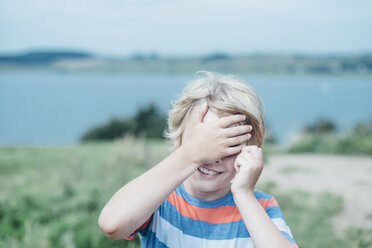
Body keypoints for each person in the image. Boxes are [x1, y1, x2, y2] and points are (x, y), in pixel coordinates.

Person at [98, 71, 298, 248]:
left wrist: (244, 194)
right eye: (203, 142)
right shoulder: (158, 197)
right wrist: (191, 154)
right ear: (178, 139)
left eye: (229, 144)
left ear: (249, 151)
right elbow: (112, 225)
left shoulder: (260, 206)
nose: (213, 157)